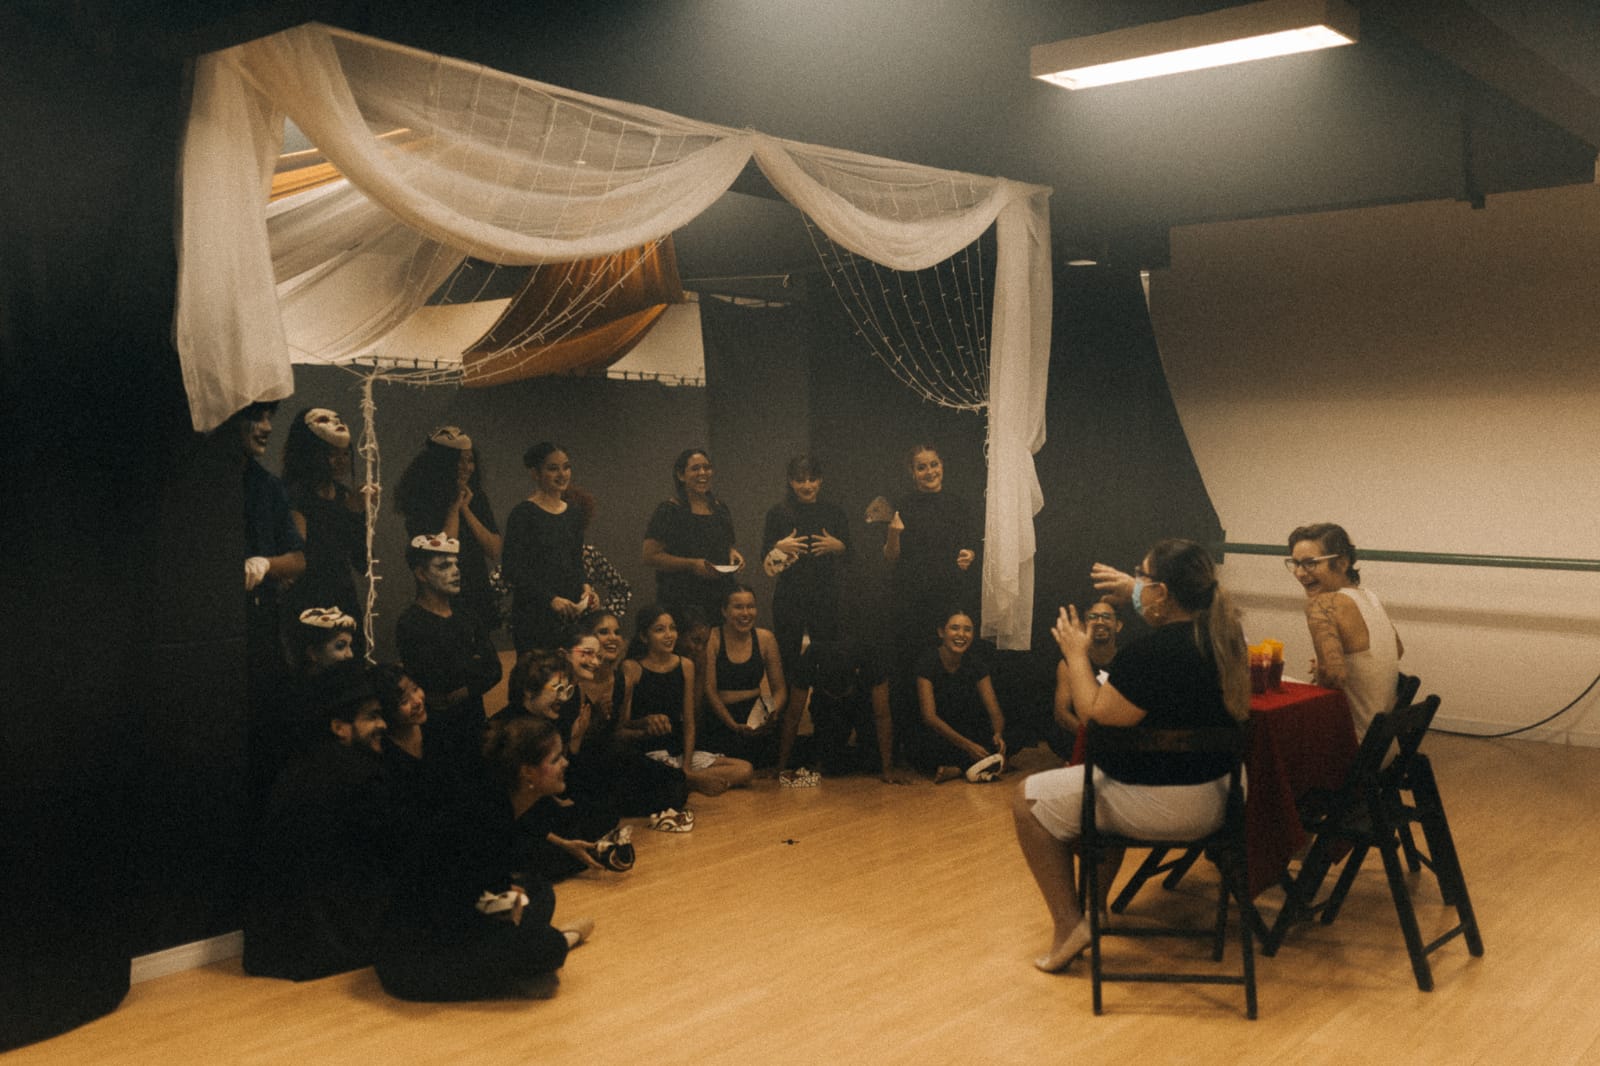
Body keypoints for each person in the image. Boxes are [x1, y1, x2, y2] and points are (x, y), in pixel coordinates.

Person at [1017, 539, 1250, 974]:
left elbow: (1094, 715)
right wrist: (1139, 591)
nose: (1135, 581)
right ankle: (1096, 909)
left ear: (1162, 591)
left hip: (1169, 805)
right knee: (1087, 793)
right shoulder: (1226, 637)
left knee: (1028, 801)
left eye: (1142, 575)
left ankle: (1070, 924)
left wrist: (1076, 654)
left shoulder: (1149, 654)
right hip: (1223, 800)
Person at [374, 716, 595, 1001]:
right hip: (420, 955)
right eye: (555, 759)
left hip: (454, 918)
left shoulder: (500, 805)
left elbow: (478, 891)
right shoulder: (482, 819)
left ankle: (523, 956)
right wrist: (503, 908)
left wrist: (505, 900)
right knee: (547, 945)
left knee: (539, 891)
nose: (565, 763)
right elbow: (454, 911)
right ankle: (561, 940)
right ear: (527, 773)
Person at [243, 660, 394, 981]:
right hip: (334, 939)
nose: (382, 724)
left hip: (277, 943)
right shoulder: (361, 774)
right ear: (339, 727)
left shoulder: (299, 767)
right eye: (371, 716)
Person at [394, 534, 503, 778]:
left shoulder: (466, 614)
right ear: (421, 574)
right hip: (439, 732)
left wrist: (465, 688)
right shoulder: (411, 623)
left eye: (456, 564)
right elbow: (435, 681)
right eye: (444, 566)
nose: (456, 571)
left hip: (474, 723)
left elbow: (494, 669)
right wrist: (472, 667)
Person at [622, 605, 752, 800]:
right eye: (660, 630)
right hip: (650, 754)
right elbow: (623, 726)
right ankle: (683, 781)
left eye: (672, 628)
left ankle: (685, 779)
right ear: (644, 636)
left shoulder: (685, 665)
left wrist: (687, 767)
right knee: (650, 778)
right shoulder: (632, 667)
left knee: (745, 769)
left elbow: (690, 724)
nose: (669, 635)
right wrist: (646, 723)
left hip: (679, 752)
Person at [1286, 522, 1404, 738]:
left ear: (1342, 563)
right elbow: (1398, 650)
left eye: (1310, 563)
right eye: (1295, 563)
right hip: (1380, 742)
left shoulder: (1322, 604)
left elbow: (1334, 676)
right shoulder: (1369, 597)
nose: (1300, 573)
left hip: (1347, 742)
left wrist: (1322, 670)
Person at [883, 443, 978, 678]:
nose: (929, 472)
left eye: (934, 464)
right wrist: (893, 533)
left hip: (949, 596)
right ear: (912, 472)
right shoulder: (901, 506)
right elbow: (891, 556)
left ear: (942, 465)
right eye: (921, 467)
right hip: (911, 599)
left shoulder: (959, 505)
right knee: (911, 660)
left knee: (948, 663)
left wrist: (969, 555)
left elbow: (970, 547)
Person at [395, 426, 502, 632]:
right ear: (442, 463)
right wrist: (454, 507)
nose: (466, 467)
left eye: (470, 460)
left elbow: (494, 549)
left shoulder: (476, 497)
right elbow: (443, 549)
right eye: (459, 461)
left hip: (475, 586)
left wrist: (466, 510)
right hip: (440, 592)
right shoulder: (420, 499)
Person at [227, 400, 306, 679]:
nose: (268, 427)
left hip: (261, 622)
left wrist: (265, 564)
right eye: (257, 417)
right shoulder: (200, 483)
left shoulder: (267, 485)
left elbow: (298, 560)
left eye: (269, 417)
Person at [281, 407, 370, 652]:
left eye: (345, 453)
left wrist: (357, 515)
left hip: (343, 599)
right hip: (309, 603)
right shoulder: (294, 496)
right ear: (310, 455)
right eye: (331, 454)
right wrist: (348, 514)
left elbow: (363, 563)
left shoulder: (344, 496)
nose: (341, 461)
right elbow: (302, 558)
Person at [502, 442, 597, 654]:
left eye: (566, 467)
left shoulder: (573, 514)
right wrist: (549, 599)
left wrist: (586, 586)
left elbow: (575, 561)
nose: (562, 474)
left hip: (570, 614)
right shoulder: (523, 514)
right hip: (534, 616)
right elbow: (512, 569)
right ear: (535, 473)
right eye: (553, 468)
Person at [761, 454, 850, 678]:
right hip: (789, 594)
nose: (807, 485)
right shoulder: (778, 513)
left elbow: (851, 555)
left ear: (820, 480)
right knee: (787, 654)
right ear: (791, 482)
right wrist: (778, 546)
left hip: (825, 594)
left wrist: (838, 546)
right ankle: (786, 699)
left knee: (828, 654)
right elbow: (765, 559)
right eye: (800, 480)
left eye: (812, 479)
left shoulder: (834, 512)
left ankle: (824, 700)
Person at [778, 637, 909, 784]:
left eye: (842, 694)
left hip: (863, 705)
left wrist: (887, 769)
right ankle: (824, 750)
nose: (837, 697)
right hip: (826, 708)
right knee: (831, 763)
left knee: (874, 761)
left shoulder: (870, 658)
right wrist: (781, 768)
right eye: (832, 694)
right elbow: (793, 716)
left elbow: (882, 716)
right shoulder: (811, 657)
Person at [641, 447, 743, 619]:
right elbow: (649, 556)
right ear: (681, 475)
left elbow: (727, 545)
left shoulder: (720, 509)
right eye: (695, 468)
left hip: (720, 597)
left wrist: (732, 554)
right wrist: (692, 564)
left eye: (707, 467)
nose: (702, 473)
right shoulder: (669, 510)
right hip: (681, 600)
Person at [908, 608, 1007, 783]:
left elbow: (994, 711)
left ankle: (957, 768)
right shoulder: (927, 662)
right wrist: (968, 746)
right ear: (941, 632)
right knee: (923, 747)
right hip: (939, 733)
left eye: (967, 630)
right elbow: (929, 717)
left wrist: (998, 734)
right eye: (954, 628)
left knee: (1010, 736)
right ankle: (970, 765)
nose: (961, 634)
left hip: (964, 728)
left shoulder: (976, 664)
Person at [701, 585, 787, 768]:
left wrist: (768, 714)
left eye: (751, 606)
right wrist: (733, 724)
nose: (746, 613)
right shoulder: (712, 638)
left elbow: (780, 689)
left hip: (756, 715)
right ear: (724, 611)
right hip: (721, 717)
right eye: (738, 607)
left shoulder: (765, 638)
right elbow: (709, 690)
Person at [1053, 599, 1122, 734]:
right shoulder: (1068, 664)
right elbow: (1062, 714)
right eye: (1093, 617)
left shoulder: (1127, 660)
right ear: (1084, 626)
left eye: (1106, 616)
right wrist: (1091, 737)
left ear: (1118, 625)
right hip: (1083, 737)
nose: (1100, 621)